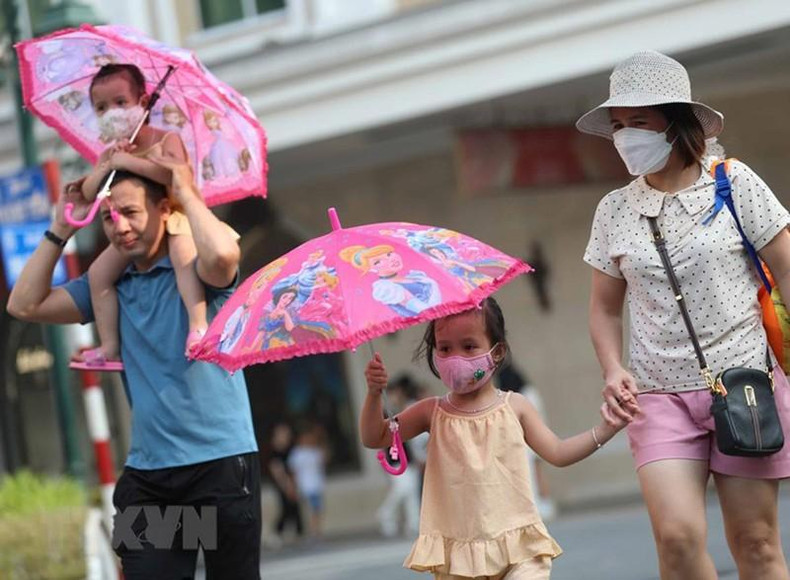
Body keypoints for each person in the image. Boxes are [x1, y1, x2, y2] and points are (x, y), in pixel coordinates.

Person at [578, 50, 790, 579]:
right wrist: (611, 368)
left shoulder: (735, 182)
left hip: (745, 383)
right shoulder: (613, 210)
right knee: (677, 540)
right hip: (657, 395)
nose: (626, 136)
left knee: (756, 542)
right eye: (619, 126)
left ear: (676, 124)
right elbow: (604, 309)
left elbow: (787, 268)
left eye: (639, 124)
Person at [7, 155, 261, 579]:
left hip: (220, 469)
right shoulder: (109, 287)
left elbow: (221, 254)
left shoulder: (200, 275)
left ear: (164, 210)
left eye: (130, 212)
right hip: (153, 480)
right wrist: (61, 230)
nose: (119, 226)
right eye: (108, 217)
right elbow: (24, 304)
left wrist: (185, 193)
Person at [360, 297, 626, 579]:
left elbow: (558, 452)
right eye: (445, 348)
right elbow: (375, 436)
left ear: (497, 352)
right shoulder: (431, 412)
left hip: (520, 552)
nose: (456, 359)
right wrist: (374, 394)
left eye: (469, 346)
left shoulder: (516, 406)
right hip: (460, 559)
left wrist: (605, 430)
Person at [78, 63, 208, 367]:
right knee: (98, 274)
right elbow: (89, 191)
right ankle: (110, 347)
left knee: (183, 258)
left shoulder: (165, 139)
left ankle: (198, 325)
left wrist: (130, 160)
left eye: (120, 103)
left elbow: (172, 174)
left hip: (175, 219)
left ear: (144, 102)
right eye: (101, 107)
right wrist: (110, 164)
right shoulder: (109, 154)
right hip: (137, 231)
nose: (112, 112)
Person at [497, 362, 557, 521]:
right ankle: (544, 505)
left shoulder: (521, 397)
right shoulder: (530, 392)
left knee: (532, 472)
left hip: (527, 438)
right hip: (535, 435)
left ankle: (541, 505)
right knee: (537, 471)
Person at [376, 373, 427, 538]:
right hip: (394, 458)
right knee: (403, 489)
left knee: (411, 492)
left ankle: (413, 523)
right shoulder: (385, 413)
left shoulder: (402, 410)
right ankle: (386, 512)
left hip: (408, 458)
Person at [288, 422, 329, 540]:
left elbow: (324, 460)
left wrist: (322, 439)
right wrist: (292, 486)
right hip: (305, 486)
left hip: (317, 484)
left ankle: (316, 530)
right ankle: (313, 531)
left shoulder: (315, 451)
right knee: (312, 509)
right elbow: (293, 472)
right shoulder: (297, 453)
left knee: (317, 509)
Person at [267, 422, 303, 547]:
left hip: (292, 481)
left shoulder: (291, 449)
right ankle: (277, 533)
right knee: (286, 507)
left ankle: (299, 533)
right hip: (282, 483)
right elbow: (276, 469)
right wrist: (286, 485)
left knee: (295, 507)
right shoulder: (275, 451)